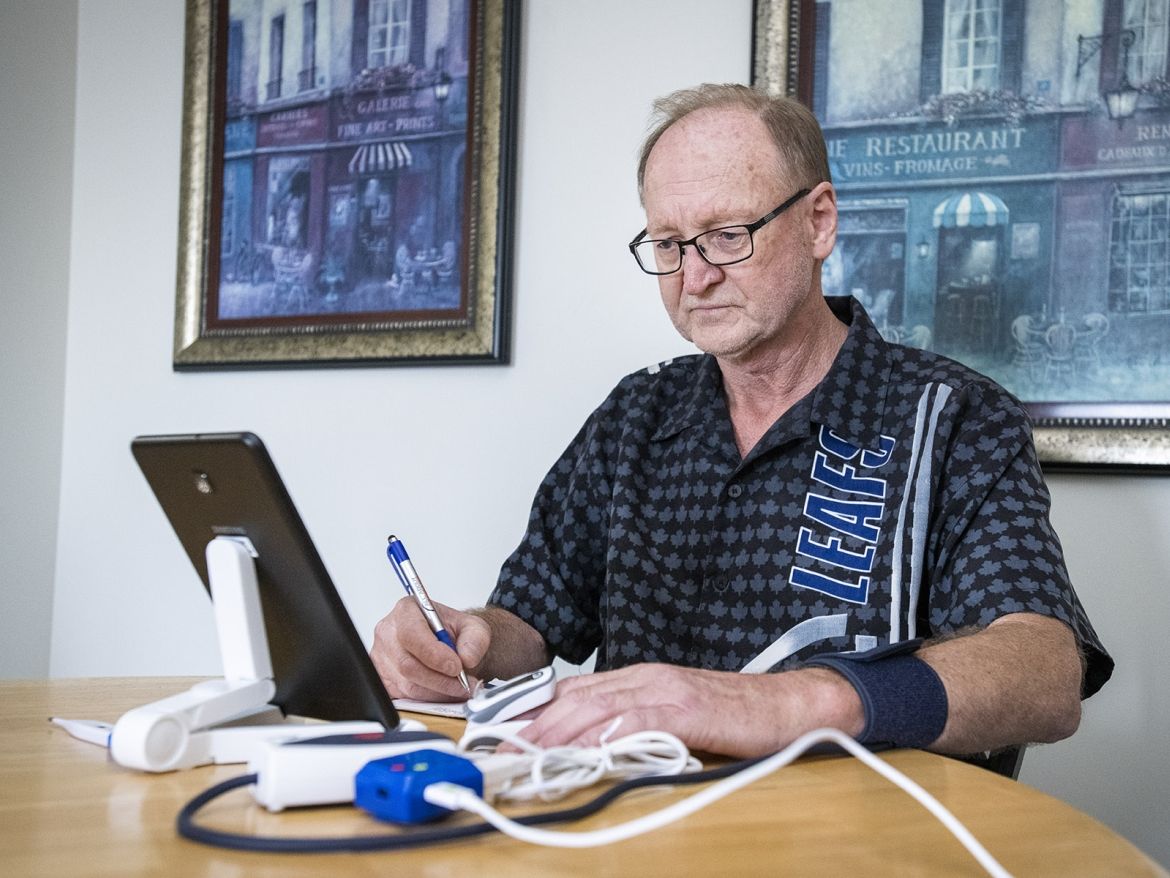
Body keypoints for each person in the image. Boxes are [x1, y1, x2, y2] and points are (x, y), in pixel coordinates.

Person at [371, 84, 1111, 760]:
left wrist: (788, 702)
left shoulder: (955, 417)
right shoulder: (636, 415)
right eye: (668, 244)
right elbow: (528, 624)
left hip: (859, 844)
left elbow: (1044, 672)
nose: (695, 277)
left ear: (819, 222)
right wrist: (462, 643)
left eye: (728, 234)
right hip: (626, 831)